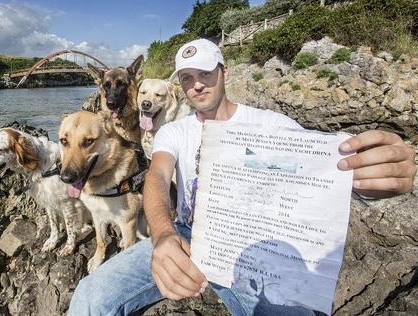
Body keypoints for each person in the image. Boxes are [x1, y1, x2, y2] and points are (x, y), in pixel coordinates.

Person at [68, 38, 417, 316]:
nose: (197, 86)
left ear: (224, 72)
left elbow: (328, 174)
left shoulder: (272, 125)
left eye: (205, 73)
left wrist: (379, 182)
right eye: (187, 78)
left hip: (258, 245)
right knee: (90, 295)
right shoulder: (173, 133)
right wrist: (162, 235)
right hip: (188, 235)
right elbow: (157, 178)